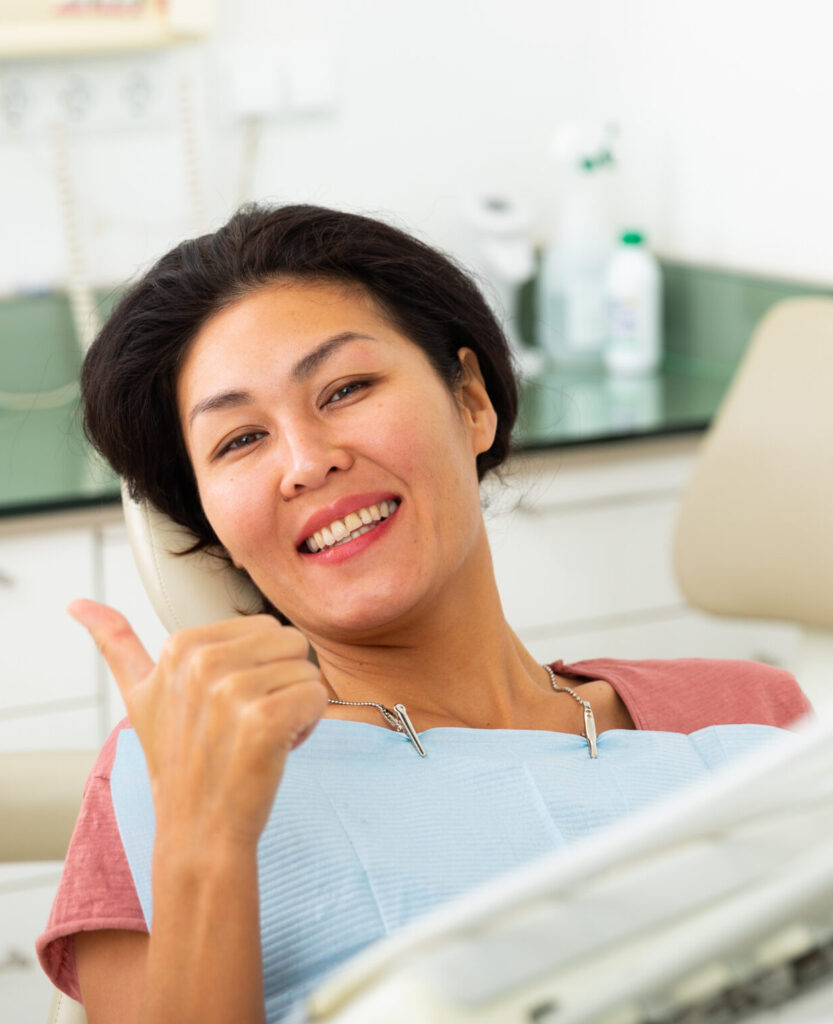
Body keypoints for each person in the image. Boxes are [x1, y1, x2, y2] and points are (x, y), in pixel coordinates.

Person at [37, 204, 811, 1024]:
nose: (306, 461)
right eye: (239, 441)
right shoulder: (177, 767)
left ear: (470, 401)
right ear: (210, 525)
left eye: (346, 388)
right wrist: (204, 842)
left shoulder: (752, 717)